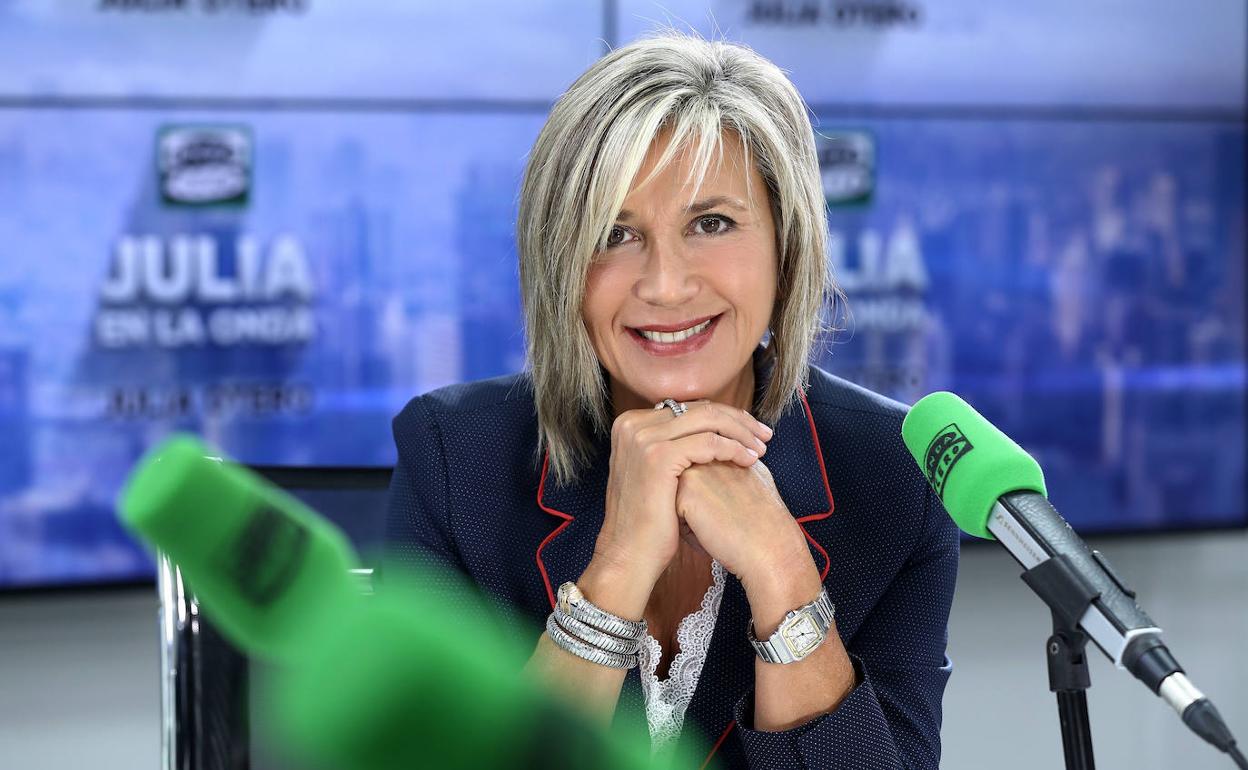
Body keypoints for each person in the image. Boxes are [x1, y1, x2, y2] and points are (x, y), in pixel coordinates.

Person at [384, 33, 959, 769]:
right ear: (561, 265)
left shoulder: (897, 477)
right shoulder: (453, 460)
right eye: (614, 233)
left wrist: (784, 575)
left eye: (711, 224)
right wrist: (616, 570)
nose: (664, 285)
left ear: (787, 245)